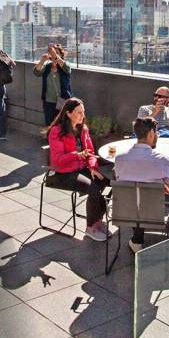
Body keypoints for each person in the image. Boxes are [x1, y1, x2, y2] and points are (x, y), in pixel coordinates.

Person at [46, 98, 112, 241]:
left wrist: (93, 168)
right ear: (68, 113)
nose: (83, 116)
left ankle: (98, 219)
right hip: (62, 173)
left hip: (81, 168)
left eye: (83, 112)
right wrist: (77, 155)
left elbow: (91, 152)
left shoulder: (83, 129)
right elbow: (58, 160)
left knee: (107, 181)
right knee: (93, 188)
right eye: (79, 113)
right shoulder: (56, 132)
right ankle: (91, 227)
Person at [114, 117, 169, 253]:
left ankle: (137, 241)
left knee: (136, 196)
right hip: (154, 211)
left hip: (126, 210)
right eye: (156, 133)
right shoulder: (162, 161)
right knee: (147, 198)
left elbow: (123, 181)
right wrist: (162, 185)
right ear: (151, 133)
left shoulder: (119, 158)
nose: (157, 136)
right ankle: (138, 240)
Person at [32, 43, 72, 126]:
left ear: (61, 55)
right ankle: (50, 139)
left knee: (63, 125)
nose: (54, 55)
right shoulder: (47, 67)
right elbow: (36, 72)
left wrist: (56, 57)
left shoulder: (65, 65)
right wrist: (43, 60)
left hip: (63, 101)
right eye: (53, 53)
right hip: (48, 102)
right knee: (49, 125)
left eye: (57, 53)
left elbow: (67, 69)